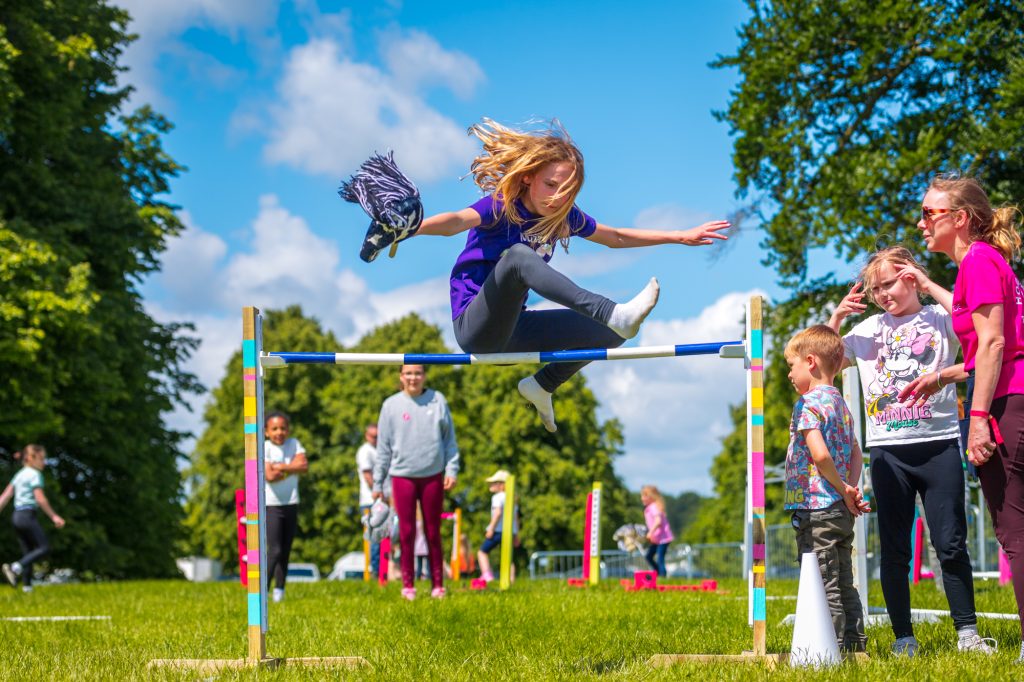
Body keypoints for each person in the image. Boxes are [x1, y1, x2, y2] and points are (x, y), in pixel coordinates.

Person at [414, 119, 730, 432]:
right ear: (528, 177)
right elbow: (456, 220)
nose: (557, 198)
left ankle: (542, 385)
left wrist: (679, 236)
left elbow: (616, 236)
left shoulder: (566, 217)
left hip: (513, 333)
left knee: (613, 331)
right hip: (476, 330)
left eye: (567, 191)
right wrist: (411, 228)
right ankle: (609, 310)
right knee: (519, 259)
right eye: (550, 185)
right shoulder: (502, 206)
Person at [827, 246, 993, 655]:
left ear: (910, 277)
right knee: (895, 548)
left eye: (890, 284)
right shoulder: (866, 331)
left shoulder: (939, 319)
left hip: (937, 446)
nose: (883, 294)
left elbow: (979, 326)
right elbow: (823, 363)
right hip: (888, 453)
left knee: (950, 542)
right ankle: (904, 637)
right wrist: (836, 319)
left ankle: (967, 633)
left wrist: (928, 284)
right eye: (875, 288)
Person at [900, 175, 1024, 663]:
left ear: (961, 219)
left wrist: (976, 419)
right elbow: (986, 336)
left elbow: (993, 344)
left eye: (930, 213)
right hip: (1010, 392)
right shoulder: (983, 263)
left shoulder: (978, 260)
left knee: (1014, 529)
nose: (921, 222)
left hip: (1006, 402)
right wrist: (945, 376)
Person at [783, 325, 870, 653]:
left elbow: (819, 454)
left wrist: (839, 485)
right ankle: (855, 645)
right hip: (838, 508)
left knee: (823, 582)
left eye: (791, 366)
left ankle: (829, 649)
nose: (789, 374)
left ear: (810, 362)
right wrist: (849, 488)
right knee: (844, 579)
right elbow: (857, 452)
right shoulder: (841, 404)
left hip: (815, 508)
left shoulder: (806, 405)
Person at [373, 365, 460, 600]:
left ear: (425, 376)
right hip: (402, 476)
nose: (413, 378)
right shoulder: (390, 406)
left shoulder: (437, 400)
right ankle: (408, 585)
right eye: (408, 373)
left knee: (433, 531)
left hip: (432, 475)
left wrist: (452, 469)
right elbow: (383, 449)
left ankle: (438, 585)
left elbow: (449, 441)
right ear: (401, 377)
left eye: (418, 373)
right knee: (407, 532)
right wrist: (377, 484)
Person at [0, 445, 65, 593]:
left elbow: (5, 496)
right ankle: (14, 567)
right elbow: (40, 499)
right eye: (42, 458)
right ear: (30, 458)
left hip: (16, 517)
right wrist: (54, 516)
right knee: (44, 547)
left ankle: (27, 588)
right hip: (27, 515)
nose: (45, 462)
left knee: (28, 552)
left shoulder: (19, 475)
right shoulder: (34, 474)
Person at [263, 411, 308, 603]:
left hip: (291, 502)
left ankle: (279, 590)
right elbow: (269, 477)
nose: (279, 432)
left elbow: (304, 466)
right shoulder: (264, 448)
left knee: (286, 549)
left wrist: (280, 467)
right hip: (272, 505)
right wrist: (291, 466)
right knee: (275, 550)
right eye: (274, 429)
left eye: (283, 428)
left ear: (288, 430)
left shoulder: (294, 444)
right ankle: (262, 590)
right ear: (266, 432)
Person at [477, 469, 519, 583]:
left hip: (498, 530)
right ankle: (511, 579)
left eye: (493, 482)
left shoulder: (497, 497)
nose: (490, 485)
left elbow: (498, 513)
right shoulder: (512, 499)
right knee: (508, 557)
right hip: (510, 531)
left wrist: (491, 528)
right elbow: (515, 518)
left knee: (482, 552)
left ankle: (487, 574)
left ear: (501, 485)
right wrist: (516, 535)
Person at [356, 423, 381, 578]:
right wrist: (379, 493)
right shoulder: (365, 451)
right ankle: (375, 570)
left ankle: (382, 571)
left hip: (381, 500)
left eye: (379, 436)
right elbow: (368, 477)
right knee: (375, 538)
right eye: (373, 436)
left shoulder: (380, 450)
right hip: (370, 500)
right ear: (366, 436)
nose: (376, 439)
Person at [640, 485, 673, 577]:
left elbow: (658, 521)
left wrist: (651, 532)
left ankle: (662, 576)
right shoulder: (650, 508)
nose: (642, 498)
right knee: (649, 556)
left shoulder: (654, 507)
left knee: (660, 558)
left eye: (644, 496)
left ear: (650, 497)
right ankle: (658, 573)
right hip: (657, 538)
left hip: (663, 538)